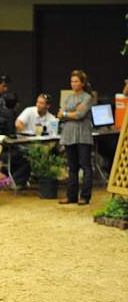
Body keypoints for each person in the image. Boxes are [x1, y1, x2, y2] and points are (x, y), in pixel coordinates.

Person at [58, 70, 94, 205]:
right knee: (72, 167)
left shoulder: (87, 97)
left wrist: (67, 113)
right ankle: (71, 196)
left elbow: (80, 114)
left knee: (86, 166)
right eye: (72, 81)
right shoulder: (68, 98)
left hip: (83, 136)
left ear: (82, 83)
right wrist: (70, 112)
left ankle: (85, 197)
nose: (73, 84)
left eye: (76, 81)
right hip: (68, 135)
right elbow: (60, 113)